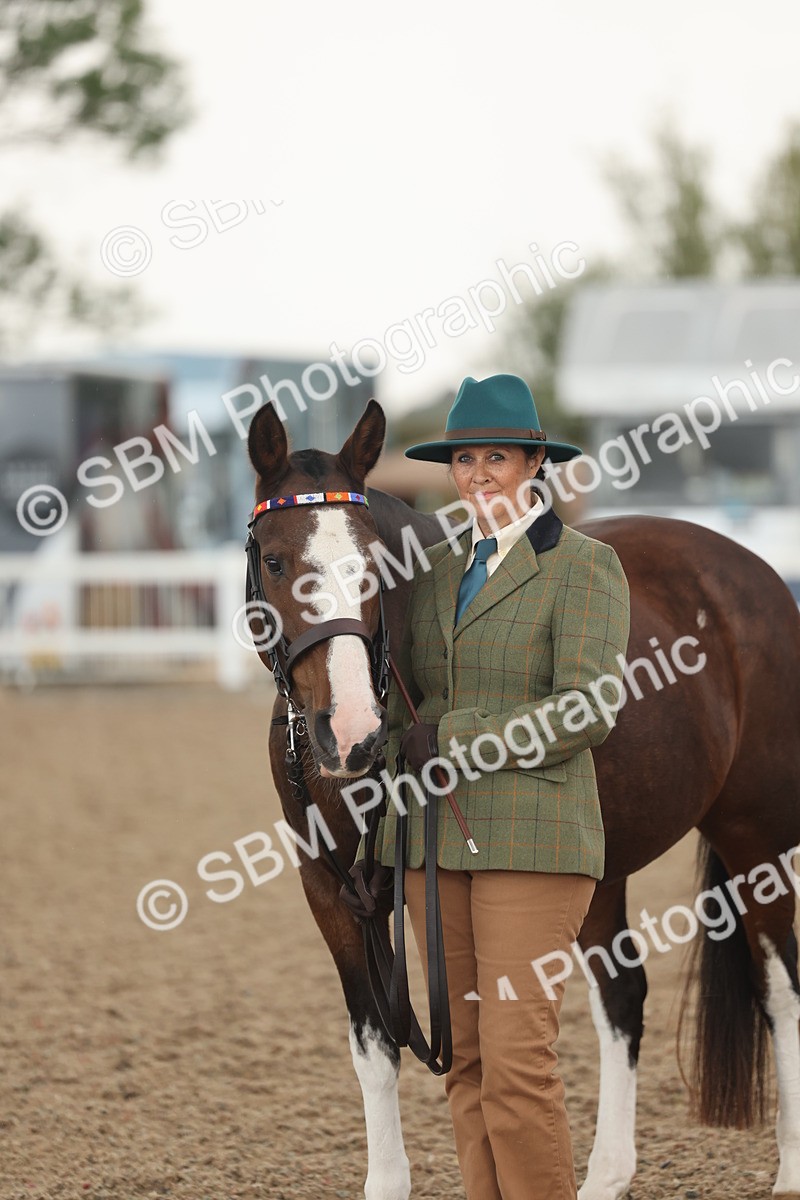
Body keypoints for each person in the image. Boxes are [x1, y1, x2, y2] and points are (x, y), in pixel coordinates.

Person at [342, 373, 631, 1200]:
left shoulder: (584, 566)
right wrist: (379, 824)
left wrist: (455, 737)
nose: (477, 475)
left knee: (516, 1065)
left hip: (535, 840)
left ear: (534, 463)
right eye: (464, 460)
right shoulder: (434, 568)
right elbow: (407, 709)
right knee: (463, 1062)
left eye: (496, 457)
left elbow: (589, 709)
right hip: (435, 842)